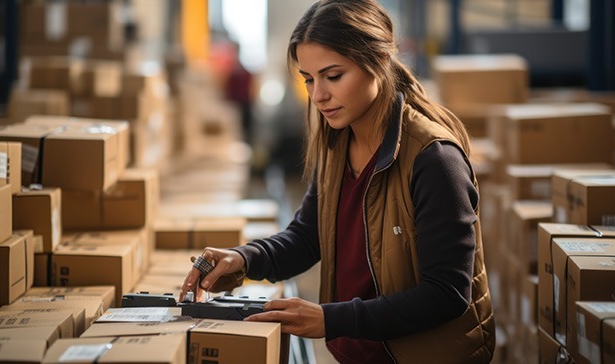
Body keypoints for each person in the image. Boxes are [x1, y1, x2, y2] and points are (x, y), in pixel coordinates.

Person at [180, 0, 496, 362]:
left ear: (377, 60)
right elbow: (308, 236)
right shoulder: (338, 142)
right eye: (309, 80)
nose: (318, 96)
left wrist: (330, 318)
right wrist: (244, 258)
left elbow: (446, 293)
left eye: (333, 76)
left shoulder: (434, 159)